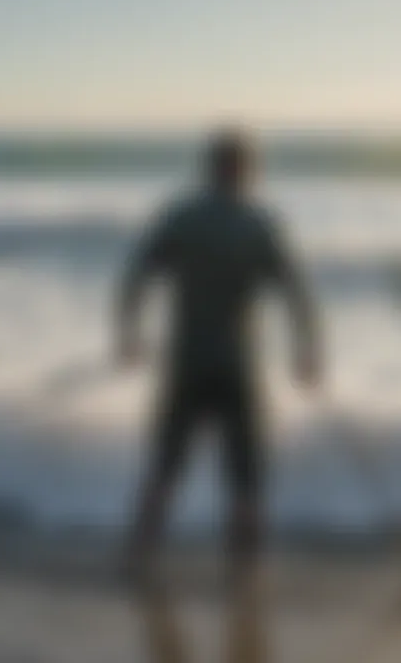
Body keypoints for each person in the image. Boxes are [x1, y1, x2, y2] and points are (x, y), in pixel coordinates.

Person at [116, 127, 321, 583]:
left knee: (167, 466)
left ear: (209, 169)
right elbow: (295, 293)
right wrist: (306, 352)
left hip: (188, 363)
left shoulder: (181, 219)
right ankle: (245, 575)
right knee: (246, 479)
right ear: (246, 171)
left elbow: (137, 276)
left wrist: (129, 334)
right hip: (236, 367)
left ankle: (139, 557)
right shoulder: (259, 226)